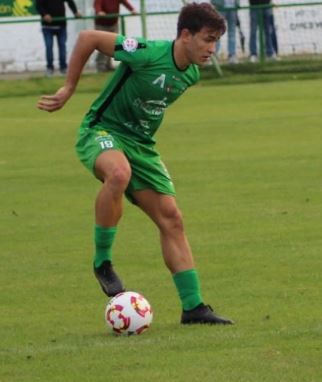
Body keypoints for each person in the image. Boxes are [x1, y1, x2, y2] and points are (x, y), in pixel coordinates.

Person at [37, 3, 233, 325]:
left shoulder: (192, 74)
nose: (212, 48)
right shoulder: (144, 51)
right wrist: (69, 87)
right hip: (102, 130)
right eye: (207, 39)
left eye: (216, 41)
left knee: (172, 218)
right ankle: (103, 262)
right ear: (186, 35)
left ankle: (194, 307)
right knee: (118, 173)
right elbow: (88, 37)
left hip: (141, 145)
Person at [36, 0, 82, 76]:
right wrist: (44, 15)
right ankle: (50, 68)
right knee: (49, 46)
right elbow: (38, 6)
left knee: (62, 46)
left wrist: (75, 12)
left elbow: (70, 1)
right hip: (47, 27)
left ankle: (63, 68)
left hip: (61, 26)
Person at [93, 0, 138, 72]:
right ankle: (100, 65)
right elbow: (97, 5)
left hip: (113, 24)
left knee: (112, 45)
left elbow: (125, 3)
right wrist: (99, 11)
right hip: (101, 25)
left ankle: (108, 65)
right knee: (102, 45)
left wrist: (132, 10)